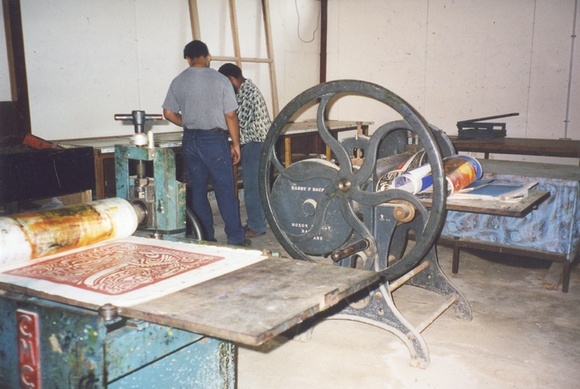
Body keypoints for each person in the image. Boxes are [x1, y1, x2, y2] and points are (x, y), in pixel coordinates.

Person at [162, 40, 250, 247]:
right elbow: (230, 115)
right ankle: (236, 239)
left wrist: (189, 122)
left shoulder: (178, 80)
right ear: (208, 56)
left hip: (190, 140)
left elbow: (168, 113)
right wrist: (236, 144)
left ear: (188, 59)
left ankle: (206, 238)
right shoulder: (221, 80)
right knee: (225, 190)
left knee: (197, 190)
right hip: (214, 140)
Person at [218, 63, 271, 238]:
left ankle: (256, 226)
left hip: (256, 144)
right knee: (257, 186)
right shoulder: (244, 90)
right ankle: (257, 222)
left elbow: (237, 121)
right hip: (256, 143)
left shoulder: (247, 93)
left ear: (230, 79)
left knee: (252, 187)